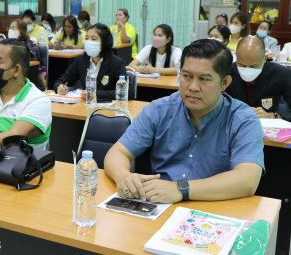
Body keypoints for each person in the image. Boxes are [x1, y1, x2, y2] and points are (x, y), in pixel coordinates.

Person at [104, 39, 264, 204]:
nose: (193, 87)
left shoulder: (243, 119)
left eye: (204, 79)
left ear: (224, 83)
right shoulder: (160, 110)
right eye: (187, 76)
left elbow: (248, 179)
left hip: (213, 209)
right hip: (159, 205)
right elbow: (117, 153)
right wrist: (123, 176)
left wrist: (181, 188)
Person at [54, 23, 133, 101]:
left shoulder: (117, 63)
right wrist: (60, 87)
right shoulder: (81, 60)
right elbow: (61, 81)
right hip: (85, 107)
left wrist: (96, 94)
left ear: (104, 42)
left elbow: (128, 92)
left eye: (94, 39)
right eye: (87, 38)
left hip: (107, 109)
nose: (89, 42)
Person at [226, 36, 291, 121]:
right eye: (242, 65)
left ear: (264, 59)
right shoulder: (227, 73)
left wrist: (274, 116)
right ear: (236, 57)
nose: (247, 70)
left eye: (253, 66)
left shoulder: (281, 74)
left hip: (267, 127)